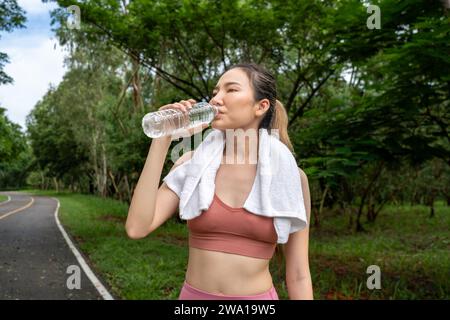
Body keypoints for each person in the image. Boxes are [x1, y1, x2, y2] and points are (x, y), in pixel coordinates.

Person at [125, 62, 313, 300]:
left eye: (231, 90)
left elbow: (298, 274)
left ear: (261, 106)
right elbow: (137, 228)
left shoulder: (290, 177)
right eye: (215, 92)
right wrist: (162, 139)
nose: (216, 99)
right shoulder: (192, 166)